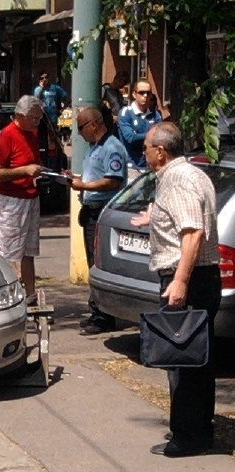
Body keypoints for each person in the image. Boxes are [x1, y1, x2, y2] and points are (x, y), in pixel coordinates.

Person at [131, 122, 220, 457]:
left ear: (161, 152)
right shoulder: (190, 174)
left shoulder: (179, 179)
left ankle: (189, 435)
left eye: (146, 147)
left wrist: (180, 280)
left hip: (189, 279)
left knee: (182, 359)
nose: (144, 152)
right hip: (200, 277)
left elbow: (193, 232)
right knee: (196, 359)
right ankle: (196, 429)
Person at [65, 107, 128, 335]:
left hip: (103, 210)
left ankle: (104, 317)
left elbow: (112, 181)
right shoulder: (93, 148)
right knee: (93, 261)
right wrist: (76, 180)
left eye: (81, 128)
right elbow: (94, 177)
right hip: (91, 210)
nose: (79, 134)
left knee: (98, 263)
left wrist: (83, 186)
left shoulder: (112, 147)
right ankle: (96, 310)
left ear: (93, 124)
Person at [0, 95, 44, 305]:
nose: (36, 123)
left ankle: (30, 294)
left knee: (28, 250)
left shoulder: (32, 133)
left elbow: (32, 162)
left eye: (39, 119)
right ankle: (7, 296)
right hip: (11, 200)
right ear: (21, 116)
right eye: (33, 118)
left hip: (31, 196)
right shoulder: (7, 136)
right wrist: (24, 170)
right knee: (8, 251)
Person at [118, 80, 162, 168]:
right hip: (130, 165)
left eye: (148, 93)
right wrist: (151, 135)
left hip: (149, 165)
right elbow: (130, 138)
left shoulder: (155, 115)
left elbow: (159, 137)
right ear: (134, 94)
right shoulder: (126, 113)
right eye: (141, 93)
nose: (145, 96)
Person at [101, 71, 130, 137]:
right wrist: (111, 116)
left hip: (118, 123)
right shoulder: (105, 89)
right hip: (108, 122)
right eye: (123, 82)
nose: (123, 85)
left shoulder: (119, 93)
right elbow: (101, 105)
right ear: (117, 79)